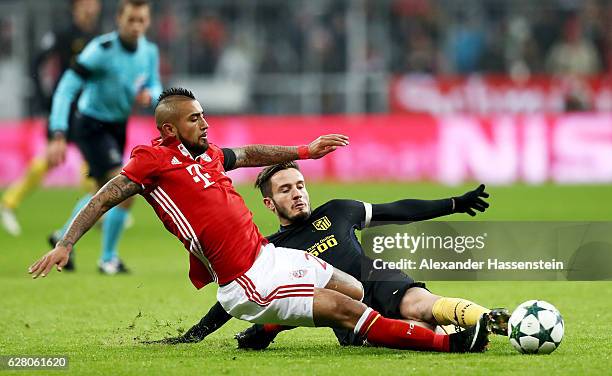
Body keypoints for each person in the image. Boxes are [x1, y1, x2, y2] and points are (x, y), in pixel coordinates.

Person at [29, 88, 493, 354]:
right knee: (349, 310)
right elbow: (106, 195)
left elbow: (249, 153)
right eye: (194, 119)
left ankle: (314, 330)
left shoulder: (208, 154)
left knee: (352, 290)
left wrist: (305, 151)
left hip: (271, 256)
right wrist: (67, 242)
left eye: (204, 115)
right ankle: (451, 346)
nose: (204, 123)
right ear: (170, 128)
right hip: (245, 280)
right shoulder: (151, 161)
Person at [152, 162, 509, 349]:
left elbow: (397, 210)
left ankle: (492, 319)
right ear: (268, 202)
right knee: (420, 329)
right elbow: (237, 295)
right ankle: (458, 331)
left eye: (301, 186)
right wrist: (196, 335)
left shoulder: (336, 211)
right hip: (345, 312)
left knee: (420, 303)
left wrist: (453, 204)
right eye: (286, 189)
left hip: (376, 279)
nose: (297, 194)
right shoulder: (269, 250)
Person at [46, 0, 162, 274]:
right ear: (118, 20)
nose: (136, 26)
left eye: (141, 20)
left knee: (101, 191)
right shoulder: (100, 50)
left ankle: (62, 236)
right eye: (131, 20)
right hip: (90, 124)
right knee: (123, 186)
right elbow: (65, 89)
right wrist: (58, 131)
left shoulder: (149, 51)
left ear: (148, 21)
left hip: (116, 126)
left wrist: (151, 95)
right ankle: (108, 259)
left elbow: (155, 84)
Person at [0, 0, 101, 237]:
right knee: (52, 156)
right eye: (86, 3)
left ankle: (96, 212)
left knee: (89, 160)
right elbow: (37, 61)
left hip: (86, 107)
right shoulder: (63, 33)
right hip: (64, 105)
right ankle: (9, 202)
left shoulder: (96, 36)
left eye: (94, 3)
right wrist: (43, 96)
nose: (91, 7)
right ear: (75, 7)